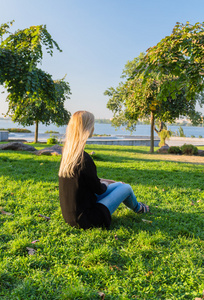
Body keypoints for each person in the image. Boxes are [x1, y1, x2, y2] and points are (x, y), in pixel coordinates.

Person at [58, 111, 149, 229]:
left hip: (70, 217)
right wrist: (106, 184)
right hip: (88, 219)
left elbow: (87, 182)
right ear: (88, 128)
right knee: (126, 188)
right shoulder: (84, 159)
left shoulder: (67, 156)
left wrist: (111, 182)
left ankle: (137, 205)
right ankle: (139, 208)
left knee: (120, 185)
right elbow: (98, 189)